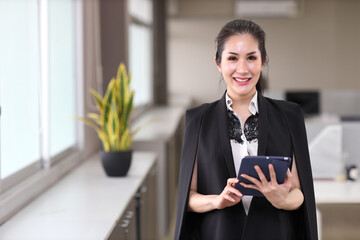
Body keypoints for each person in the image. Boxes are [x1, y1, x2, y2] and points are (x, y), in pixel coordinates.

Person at [174, 19, 318, 240]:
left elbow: (299, 191)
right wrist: (217, 200)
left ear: (263, 62)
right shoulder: (198, 120)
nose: (242, 69)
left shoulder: (290, 116)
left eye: (251, 57)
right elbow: (188, 197)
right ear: (218, 63)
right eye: (232, 58)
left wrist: (282, 199)